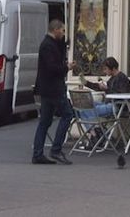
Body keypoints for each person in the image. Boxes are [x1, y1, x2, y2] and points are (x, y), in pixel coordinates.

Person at [31, 18, 74, 165]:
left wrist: (63, 43)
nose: (63, 33)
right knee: (68, 114)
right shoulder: (47, 46)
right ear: (55, 29)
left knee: (45, 121)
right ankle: (56, 150)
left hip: (47, 89)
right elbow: (52, 68)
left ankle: (38, 154)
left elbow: (59, 55)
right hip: (54, 88)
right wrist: (66, 67)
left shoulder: (52, 44)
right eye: (62, 30)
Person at [79, 57, 130, 131]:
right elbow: (100, 87)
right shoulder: (112, 78)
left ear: (113, 68)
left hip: (118, 106)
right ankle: (94, 132)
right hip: (108, 104)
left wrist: (107, 89)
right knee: (84, 107)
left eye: (106, 69)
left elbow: (122, 95)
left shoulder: (122, 79)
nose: (104, 71)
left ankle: (96, 132)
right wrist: (87, 83)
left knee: (89, 110)